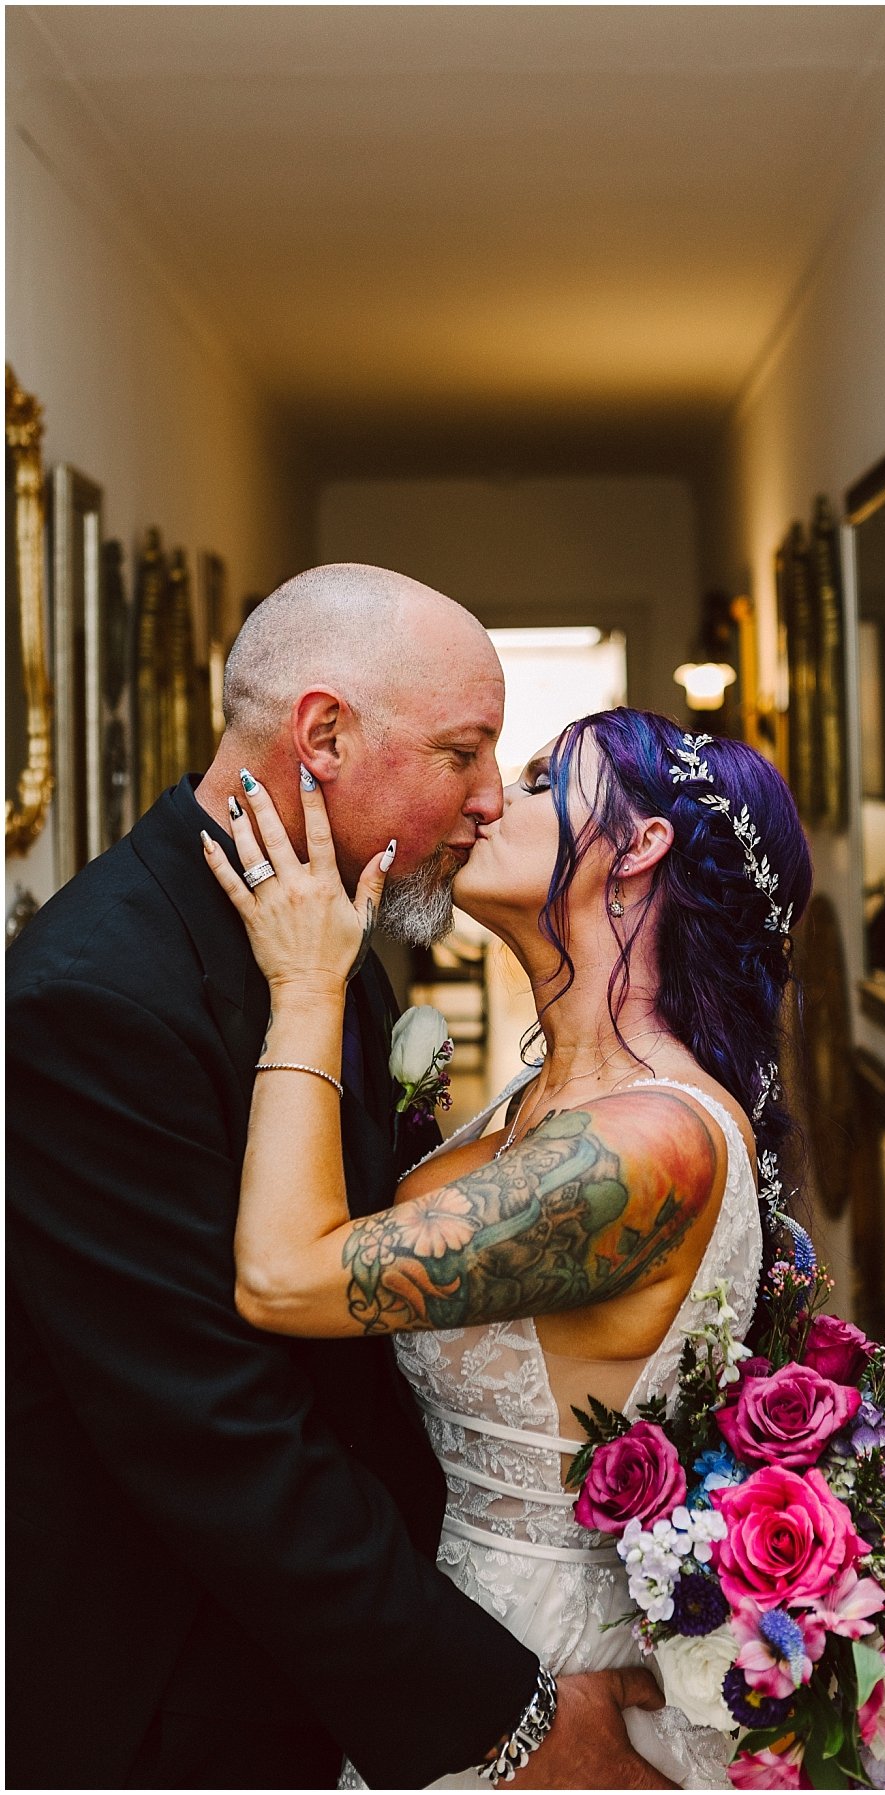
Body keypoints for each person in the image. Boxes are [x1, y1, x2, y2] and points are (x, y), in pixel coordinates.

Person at [7, 564, 667, 1791]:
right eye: (463, 751)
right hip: (175, 1693)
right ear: (322, 737)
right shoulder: (90, 1002)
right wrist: (507, 1723)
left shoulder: (335, 927)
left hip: (334, 1649)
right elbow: (217, 1433)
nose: (488, 798)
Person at [201, 705, 814, 1787]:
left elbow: (285, 1277)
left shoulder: (648, 1145)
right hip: (457, 1639)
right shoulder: (544, 1100)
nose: (488, 802)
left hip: (552, 1674)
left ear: (638, 847)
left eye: (538, 781)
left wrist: (305, 987)